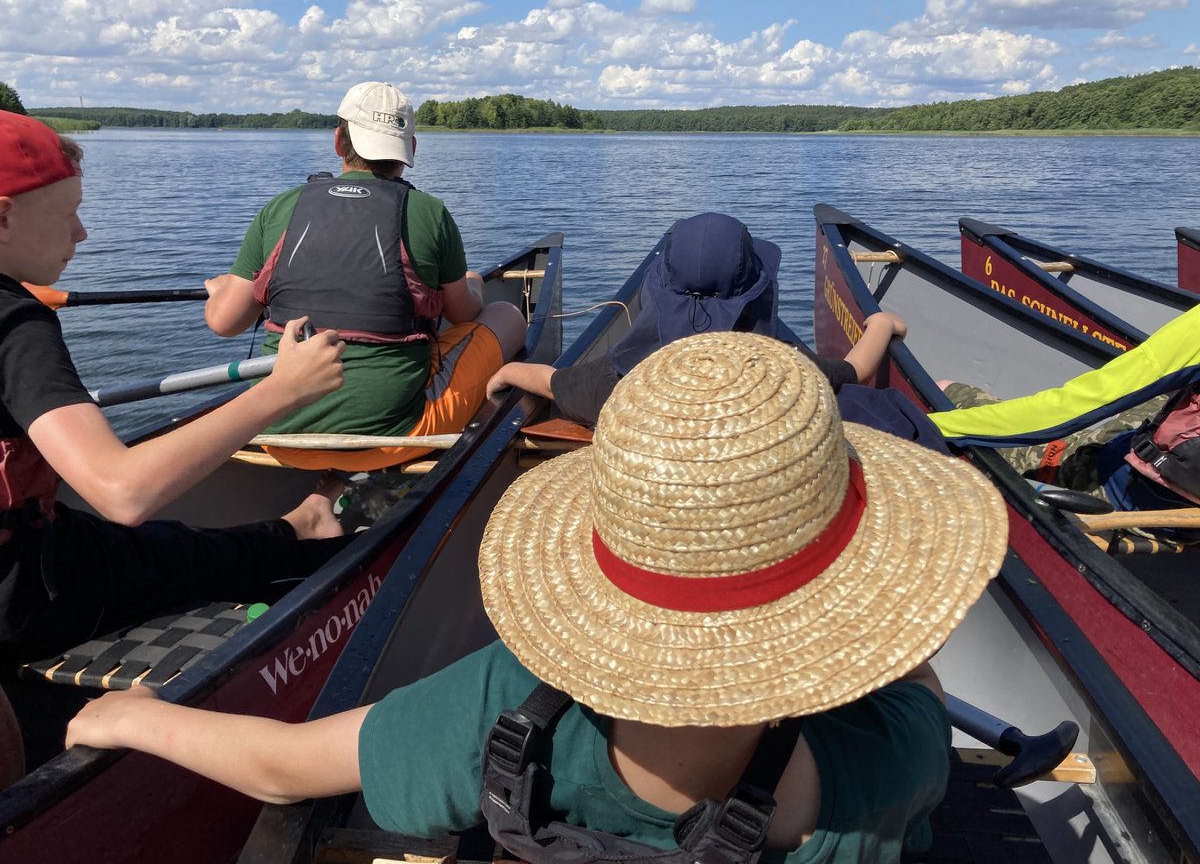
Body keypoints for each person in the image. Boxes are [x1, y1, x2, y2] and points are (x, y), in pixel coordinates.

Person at [66, 332, 1008, 863]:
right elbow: (911, 682)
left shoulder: (511, 702)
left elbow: (282, 768)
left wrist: (138, 721)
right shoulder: (889, 760)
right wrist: (879, 609)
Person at [0, 110, 350, 669]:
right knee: (190, 555)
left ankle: (297, 523)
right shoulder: (17, 324)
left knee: (170, 543)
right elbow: (123, 492)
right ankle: (314, 540)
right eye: (69, 214)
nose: (82, 233)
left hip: (39, 549)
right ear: (3, 217)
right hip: (26, 595)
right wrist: (283, 389)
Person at [205, 81, 527, 471]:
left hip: (275, 433)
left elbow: (224, 323)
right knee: (509, 315)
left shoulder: (281, 207)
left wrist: (221, 290)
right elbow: (463, 314)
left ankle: (331, 487)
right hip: (395, 437)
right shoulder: (429, 212)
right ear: (410, 149)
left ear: (338, 141)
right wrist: (473, 283)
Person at [486, 212, 907, 426]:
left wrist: (507, 370)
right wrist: (881, 325)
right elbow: (854, 370)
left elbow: (549, 382)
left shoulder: (614, 384)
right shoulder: (788, 373)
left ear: (657, 293)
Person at [930, 303, 1200, 514]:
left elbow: (1066, 412)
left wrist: (932, 426)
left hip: (1144, 495)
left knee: (946, 388)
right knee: (1148, 402)